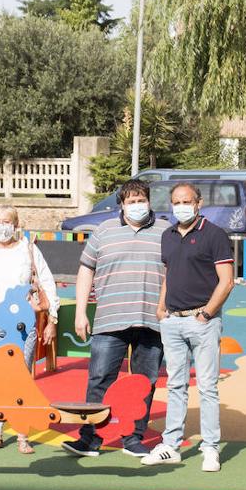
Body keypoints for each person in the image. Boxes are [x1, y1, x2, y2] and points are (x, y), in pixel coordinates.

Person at [62, 179, 167, 459]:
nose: (136, 205)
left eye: (141, 200)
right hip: (110, 319)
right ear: (121, 204)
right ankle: (90, 438)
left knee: (144, 382)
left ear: (149, 201)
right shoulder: (104, 231)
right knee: (99, 379)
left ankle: (133, 437)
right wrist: (81, 311)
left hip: (152, 319)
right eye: (131, 201)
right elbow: (86, 270)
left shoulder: (165, 230)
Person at [142, 182, 234, 472]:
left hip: (202, 321)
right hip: (172, 320)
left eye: (187, 201)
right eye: (176, 202)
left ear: (198, 203)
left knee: (207, 387)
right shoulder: (168, 235)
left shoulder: (214, 235)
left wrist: (207, 314)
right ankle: (171, 444)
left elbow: (227, 280)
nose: (181, 206)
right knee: (176, 385)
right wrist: (161, 308)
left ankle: (210, 448)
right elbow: (171, 272)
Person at [0, 204, 59, 454]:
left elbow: (47, 283)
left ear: (16, 225)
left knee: (21, 379)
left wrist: (52, 317)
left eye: (7, 221)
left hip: (22, 326)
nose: (2, 226)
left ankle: (22, 435)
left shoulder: (28, 251)